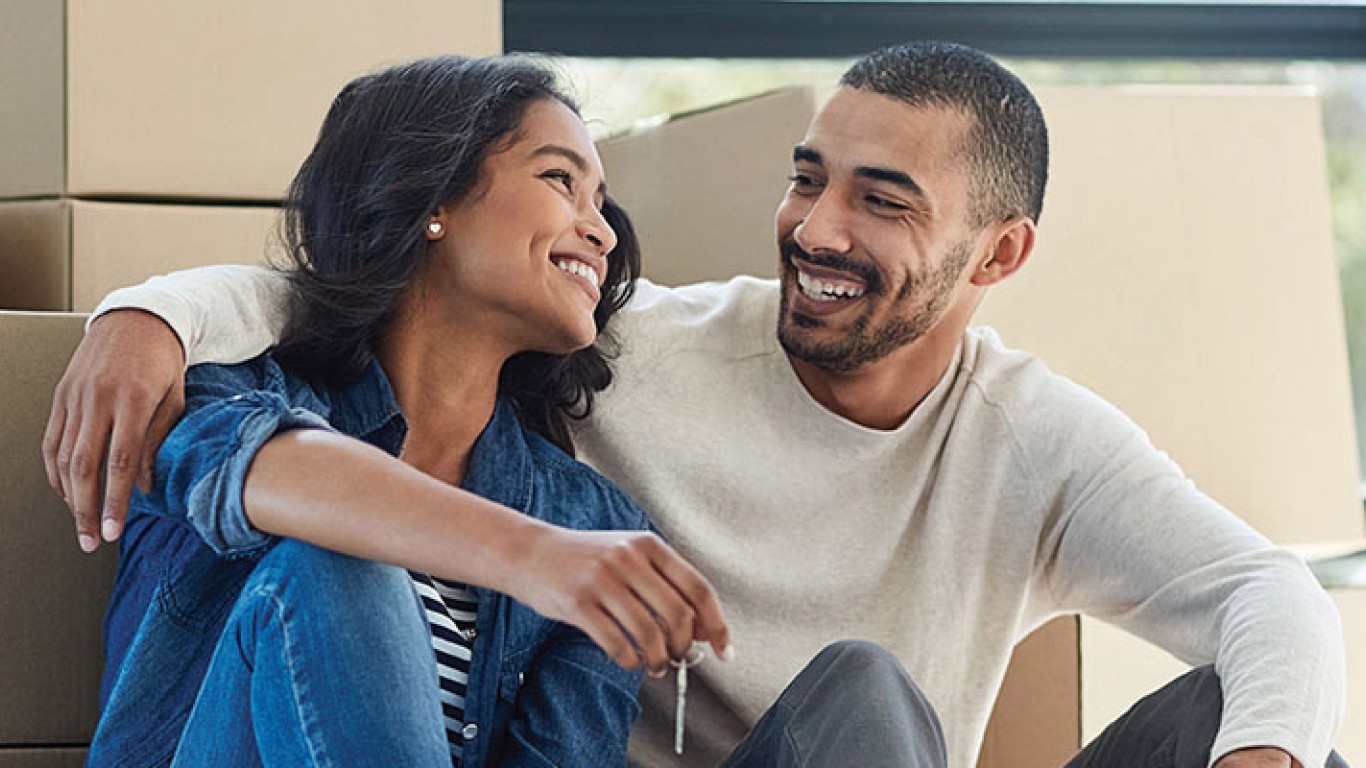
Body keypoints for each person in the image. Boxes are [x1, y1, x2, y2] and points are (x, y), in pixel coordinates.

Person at [47, 42, 1346, 768]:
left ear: (994, 256)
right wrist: (148, 311)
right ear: (434, 195)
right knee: (339, 572)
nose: (816, 228)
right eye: (808, 179)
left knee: (1193, 723)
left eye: (881, 200)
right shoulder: (617, 396)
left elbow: (1263, 592)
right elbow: (284, 401)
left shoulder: (583, 496)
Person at [71, 54, 735, 767]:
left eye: (599, 201)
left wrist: (559, 554)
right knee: (339, 556)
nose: (600, 230)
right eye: (559, 180)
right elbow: (273, 473)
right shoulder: (210, 387)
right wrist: (533, 557)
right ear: (434, 205)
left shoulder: (595, 524)